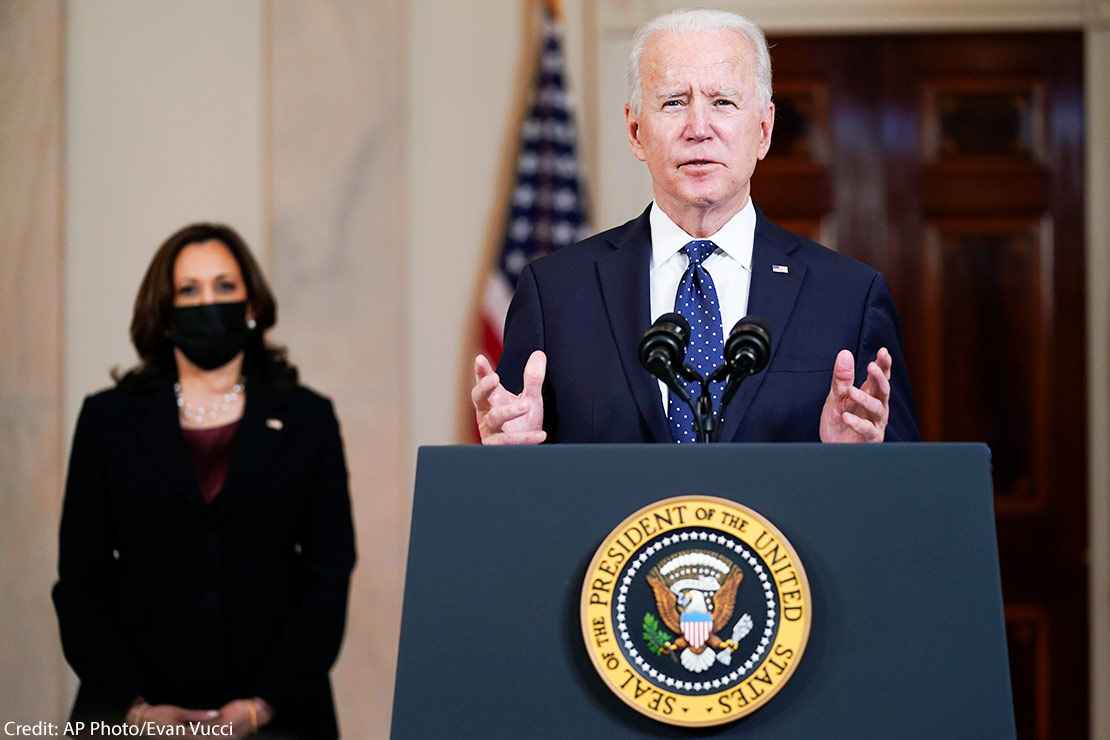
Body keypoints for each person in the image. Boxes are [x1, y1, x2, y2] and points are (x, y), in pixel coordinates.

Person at [472, 8, 918, 445]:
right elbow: (517, 496)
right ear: (634, 131)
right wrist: (510, 461)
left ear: (763, 130)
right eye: (674, 102)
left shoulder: (848, 297)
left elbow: (905, 494)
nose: (698, 128)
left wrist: (858, 463)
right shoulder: (555, 294)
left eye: (722, 102)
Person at [52, 224, 356, 739]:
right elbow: (82, 581)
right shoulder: (108, 419)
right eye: (188, 291)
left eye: (224, 287)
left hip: (278, 716)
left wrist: (261, 706)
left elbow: (328, 575)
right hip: (133, 713)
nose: (207, 301)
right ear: (164, 312)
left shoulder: (308, 417)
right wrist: (135, 709)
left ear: (251, 304)